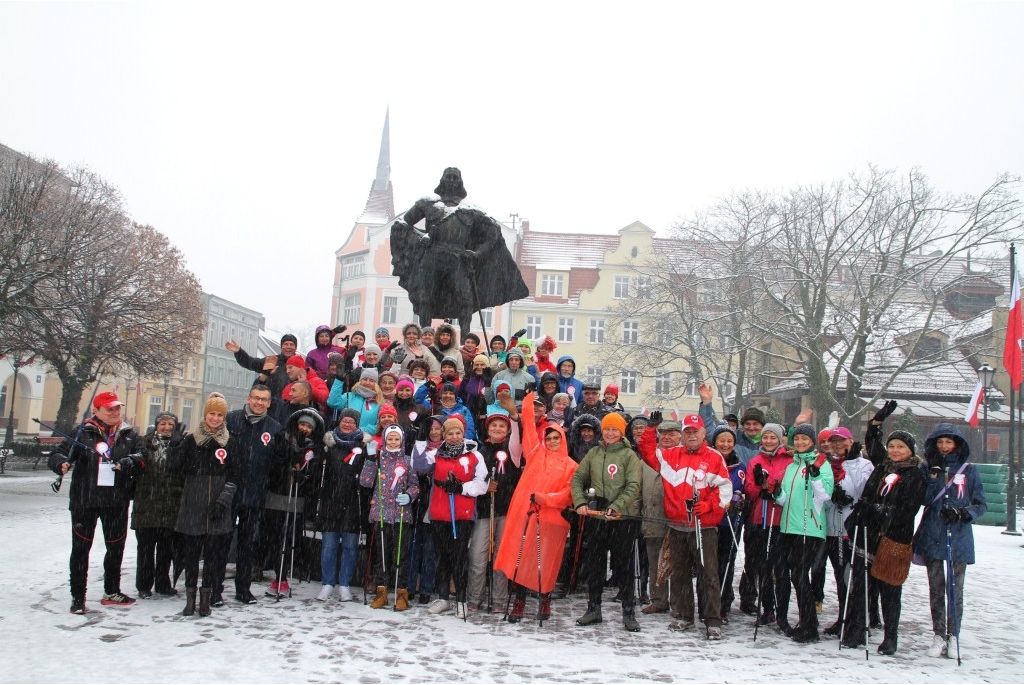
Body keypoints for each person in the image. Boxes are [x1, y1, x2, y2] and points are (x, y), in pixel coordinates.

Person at [390, 167, 529, 336]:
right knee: (425, 297)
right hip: (431, 256)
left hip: (458, 258)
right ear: (442, 180)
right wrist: (419, 240)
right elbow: (403, 224)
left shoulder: (470, 210)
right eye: (448, 177)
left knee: (465, 298)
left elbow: (493, 233)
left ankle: (465, 339)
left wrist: (477, 253)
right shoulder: (427, 203)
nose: (451, 180)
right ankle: (426, 335)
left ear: (460, 182)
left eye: (455, 177)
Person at [637, 413, 732, 640]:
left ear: (703, 433)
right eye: (687, 431)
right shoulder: (670, 456)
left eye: (695, 432)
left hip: (704, 527)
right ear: (683, 434)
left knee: (708, 574)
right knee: (679, 574)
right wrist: (651, 428)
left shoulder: (714, 457)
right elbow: (647, 451)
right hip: (678, 525)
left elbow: (725, 489)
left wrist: (709, 506)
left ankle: (712, 620)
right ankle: (683, 615)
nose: (691, 435)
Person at [50, 391, 146, 614]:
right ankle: (78, 596)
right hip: (86, 500)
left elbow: (143, 457)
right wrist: (61, 463)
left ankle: (111, 591)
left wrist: (129, 462)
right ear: (97, 410)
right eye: (109, 409)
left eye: (117, 408)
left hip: (116, 501)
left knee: (116, 547)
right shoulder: (83, 432)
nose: (114, 412)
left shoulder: (129, 433)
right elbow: (59, 453)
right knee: (81, 549)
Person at [843, 428, 927, 655]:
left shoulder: (915, 474)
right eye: (892, 446)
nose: (895, 451)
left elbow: (909, 508)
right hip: (869, 535)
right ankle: (858, 629)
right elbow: (868, 494)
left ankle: (891, 636)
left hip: (894, 539)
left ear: (910, 450)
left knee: (890, 590)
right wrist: (866, 509)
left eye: (900, 447)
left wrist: (883, 511)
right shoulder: (881, 468)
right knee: (861, 586)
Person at [496, 394, 578, 623]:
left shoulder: (572, 466)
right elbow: (529, 431)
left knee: (546, 564)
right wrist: (528, 406)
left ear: (563, 439)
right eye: (549, 438)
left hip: (551, 520)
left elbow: (568, 494)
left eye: (556, 438)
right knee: (522, 560)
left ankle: (545, 599)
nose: (552, 442)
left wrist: (547, 499)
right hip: (527, 516)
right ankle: (519, 602)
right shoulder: (535, 455)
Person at [912, 422, 988, 659]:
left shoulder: (969, 470)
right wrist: (934, 478)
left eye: (949, 442)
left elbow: (980, 503)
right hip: (933, 534)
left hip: (958, 536)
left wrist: (963, 513)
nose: (944, 447)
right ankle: (938, 634)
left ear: (957, 444)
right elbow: (923, 499)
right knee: (936, 588)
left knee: (955, 588)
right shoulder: (927, 468)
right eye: (940, 442)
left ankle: (954, 634)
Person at [571, 412, 643, 632]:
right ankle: (594, 608)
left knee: (623, 566)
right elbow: (577, 479)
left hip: (622, 518)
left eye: (615, 429)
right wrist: (580, 502)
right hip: (597, 517)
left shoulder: (629, 456)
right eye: (607, 429)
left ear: (621, 432)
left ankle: (629, 611)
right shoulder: (594, 452)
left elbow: (633, 485)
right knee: (596, 565)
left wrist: (616, 506)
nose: (610, 433)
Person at [169, 393, 239, 617]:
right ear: (205, 414)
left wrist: (223, 501)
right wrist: (175, 447)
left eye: (219, 415)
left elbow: (235, 475)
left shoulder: (230, 441)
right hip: (194, 504)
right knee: (191, 555)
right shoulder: (191, 440)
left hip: (218, 506)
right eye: (212, 413)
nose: (215, 418)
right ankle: (190, 598)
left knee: (213, 556)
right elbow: (174, 468)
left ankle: (206, 599)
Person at [412, 414, 488, 617]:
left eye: (458, 433)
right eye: (450, 433)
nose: (454, 436)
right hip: (439, 512)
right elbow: (418, 466)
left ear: (463, 434)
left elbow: (483, 484)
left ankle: (461, 599)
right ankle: (444, 597)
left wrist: (461, 487)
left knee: (459, 556)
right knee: (442, 557)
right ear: (444, 435)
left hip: (462, 513)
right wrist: (420, 438)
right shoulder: (436, 453)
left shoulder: (474, 455)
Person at [224, 384, 282, 605]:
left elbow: (277, 462)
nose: (259, 403)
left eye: (264, 400)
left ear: (269, 403)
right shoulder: (232, 420)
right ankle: (215, 588)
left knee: (247, 544)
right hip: (230, 490)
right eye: (256, 398)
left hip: (256, 492)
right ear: (248, 399)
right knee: (222, 540)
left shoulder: (274, 428)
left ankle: (243, 589)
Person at [775, 423, 834, 643]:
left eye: (804, 439)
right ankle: (807, 621)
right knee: (790, 575)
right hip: (788, 527)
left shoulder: (822, 463)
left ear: (812, 442)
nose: (800, 442)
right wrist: (774, 492)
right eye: (796, 438)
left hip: (810, 528)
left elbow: (825, 497)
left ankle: (809, 626)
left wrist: (816, 476)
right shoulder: (791, 466)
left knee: (799, 576)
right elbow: (786, 500)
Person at [817, 425, 874, 637]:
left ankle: (857, 621)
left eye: (842, 441)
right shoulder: (827, 463)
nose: (838, 445)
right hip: (832, 528)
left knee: (853, 578)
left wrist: (846, 471)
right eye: (834, 441)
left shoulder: (862, 464)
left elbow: (861, 490)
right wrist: (833, 497)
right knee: (840, 577)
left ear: (851, 442)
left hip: (852, 529)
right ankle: (844, 616)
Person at [467, 411, 522, 613]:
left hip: (505, 509)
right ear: (488, 429)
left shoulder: (512, 450)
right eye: (493, 426)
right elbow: (473, 478)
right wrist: (484, 488)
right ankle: (474, 597)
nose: (497, 429)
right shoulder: (479, 452)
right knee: (478, 556)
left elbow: (514, 475)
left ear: (507, 430)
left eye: (501, 426)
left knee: (501, 556)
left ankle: (499, 599)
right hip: (483, 510)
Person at [359, 424, 420, 610]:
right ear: (385, 440)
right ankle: (381, 592)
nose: (393, 442)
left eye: (396, 439)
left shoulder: (408, 461)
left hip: (401, 515)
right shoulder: (378, 460)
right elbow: (366, 482)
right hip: (382, 513)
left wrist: (409, 496)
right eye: (390, 439)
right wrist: (369, 460)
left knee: (400, 556)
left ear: (402, 441)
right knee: (382, 556)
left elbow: (415, 485)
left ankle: (402, 593)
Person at [743, 422, 793, 630]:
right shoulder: (756, 459)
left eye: (773, 437)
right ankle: (768, 609)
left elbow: (791, 487)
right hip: (759, 519)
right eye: (765, 437)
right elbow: (749, 489)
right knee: (762, 568)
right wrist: (758, 488)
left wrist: (773, 487)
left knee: (781, 570)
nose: (768, 441)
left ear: (780, 439)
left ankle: (782, 614)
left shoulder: (789, 460)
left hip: (781, 520)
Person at [314, 409, 366, 602]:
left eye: (351, 422)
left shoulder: (362, 446)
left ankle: (344, 584)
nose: (347, 424)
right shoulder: (329, 444)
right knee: (329, 546)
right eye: (344, 421)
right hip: (331, 499)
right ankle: (327, 583)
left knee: (350, 547)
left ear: (357, 425)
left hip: (352, 501)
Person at [131, 411, 184, 599]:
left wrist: (178, 444)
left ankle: (163, 583)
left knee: (166, 549)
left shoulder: (180, 444)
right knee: (145, 549)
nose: (167, 427)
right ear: (156, 425)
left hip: (171, 505)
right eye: (163, 423)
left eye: (171, 424)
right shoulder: (144, 443)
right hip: (147, 504)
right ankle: (144, 585)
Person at [711, 422, 746, 623]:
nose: (725, 444)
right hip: (710, 520)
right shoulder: (708, 460)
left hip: (730, 523)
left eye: (729, 441)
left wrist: (741, 500)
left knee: (726, 564)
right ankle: (709, 603)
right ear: (715, 442)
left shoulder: (739, 467)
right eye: (721, 440)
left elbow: (745, 489)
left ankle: (723, 605)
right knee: (709, 566)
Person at [226, 334, 299, 414]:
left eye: (291, 344)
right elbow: (251, 363)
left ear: (295, 348)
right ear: (281, 347)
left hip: (291, 409)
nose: (288, 347)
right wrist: (239, 352)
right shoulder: (272, 360)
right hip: (270, 408)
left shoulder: (300, 365)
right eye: (285, 344)